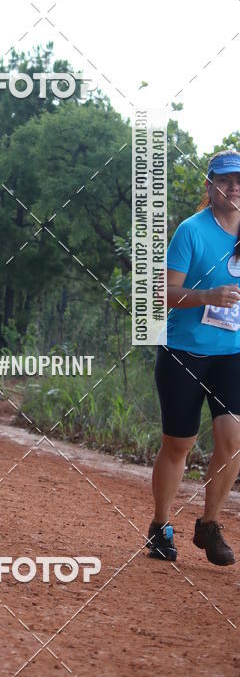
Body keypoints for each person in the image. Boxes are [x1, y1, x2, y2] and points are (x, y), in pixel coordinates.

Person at [147, 149, 240, 566]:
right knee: (179, 444)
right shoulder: (191, 231)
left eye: (239, 181)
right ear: (210, 186)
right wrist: (207, 296)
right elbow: (163, 293)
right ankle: (161, 526)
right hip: (184, 351)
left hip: (232, 353)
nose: (233, 187)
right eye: (224, 180)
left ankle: (209, 525)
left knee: (233, 442)